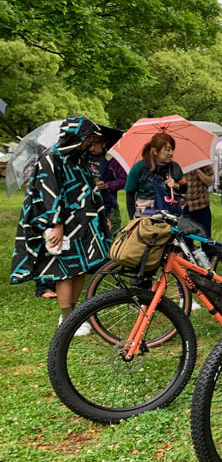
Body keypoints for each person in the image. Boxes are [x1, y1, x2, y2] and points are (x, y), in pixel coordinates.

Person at [10, 116, 111, 334]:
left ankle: (75, 316)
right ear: (76, 136)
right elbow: (48, 192)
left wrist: (101, 215)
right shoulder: (51, 158)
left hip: (83, 223)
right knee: (65, 271)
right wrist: (54, 223)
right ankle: (67, 321)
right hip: (63, 225)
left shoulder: (77, 158)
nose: (89, 142)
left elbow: (89, 188)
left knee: (79, 269)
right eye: (86, 137)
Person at [123, 132, 186, 218]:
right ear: (155, 151)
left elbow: (185, 188)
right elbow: (130, 194)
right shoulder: (139, 167)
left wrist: (175, 185)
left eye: (172, 150)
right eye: (168, 150)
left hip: (169, 215)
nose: (171, 153)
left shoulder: (175, 167)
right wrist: (132, 219)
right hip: (144, 216)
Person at [184, 165, 215, 237]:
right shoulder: (178, 165)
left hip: (201, 204)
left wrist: (197, 171)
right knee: (186, 239)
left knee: (205, 237)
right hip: (185, 206)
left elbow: (209, 183)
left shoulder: (203, 164)